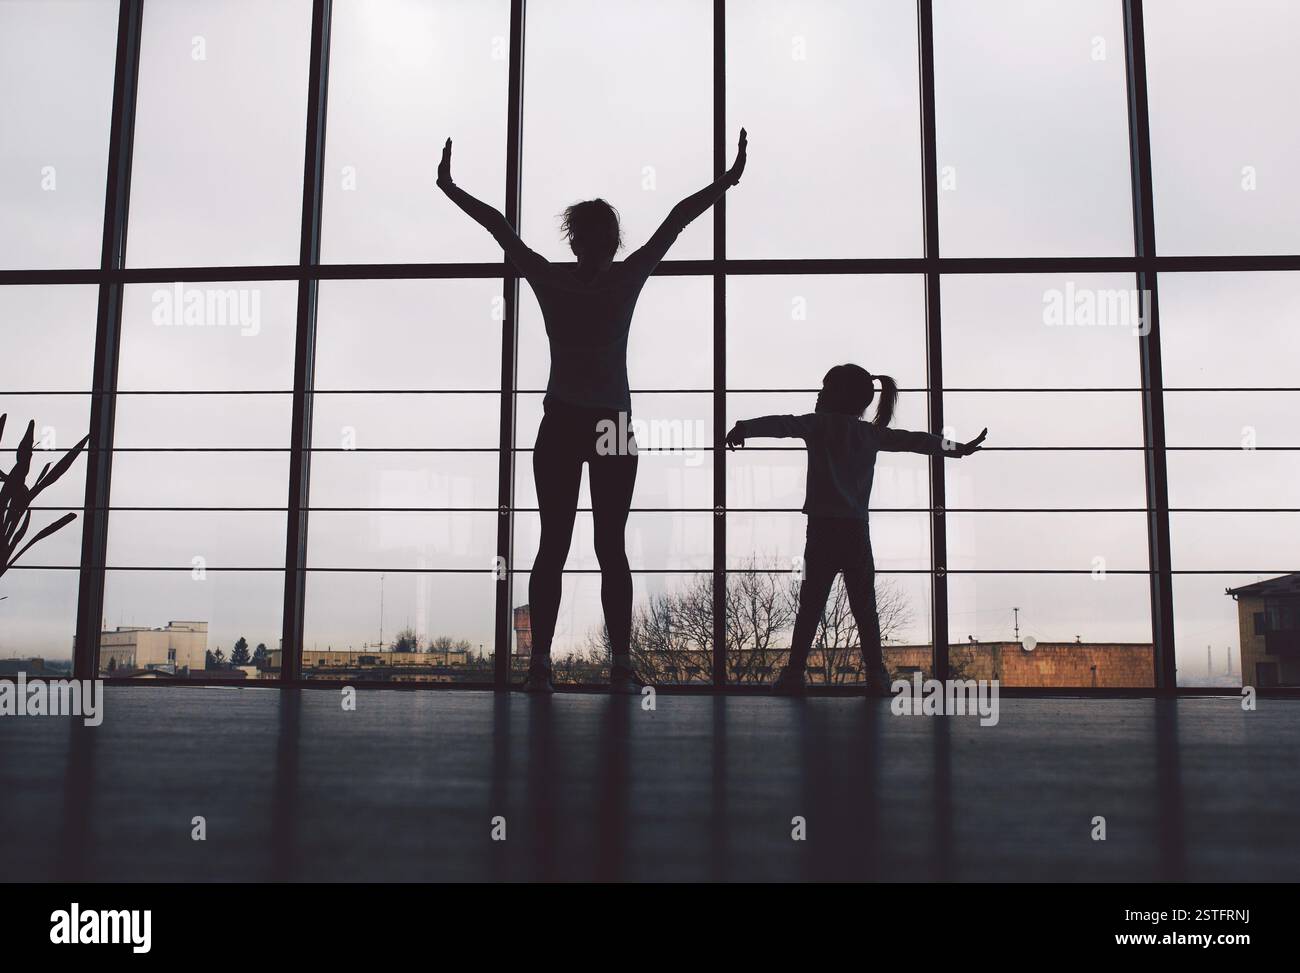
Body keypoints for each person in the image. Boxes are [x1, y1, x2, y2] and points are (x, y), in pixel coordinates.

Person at [438, 130, 748, 693]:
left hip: (563, 423)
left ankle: (541, 666)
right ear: (610, 239)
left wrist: (450, 188)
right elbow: (677, 219)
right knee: (610, 546)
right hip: (609, 423)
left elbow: (498, 228)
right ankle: (620, 665)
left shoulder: (550, 277)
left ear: (575, 239)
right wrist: (725, 181)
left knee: (553, 544)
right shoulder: (626, 276)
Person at [725, 364, 987, 695]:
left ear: (836, 395)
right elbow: (915, 441)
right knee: (865, 606)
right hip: (855, 532)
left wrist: (742, 428)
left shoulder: (817, 425)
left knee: (811, 604)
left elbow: (781, 424)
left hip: (820, 531)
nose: (818, 394)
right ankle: (877, 675)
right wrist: (957, 448)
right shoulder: (870, 435)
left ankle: (794, 673)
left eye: (823, 388)